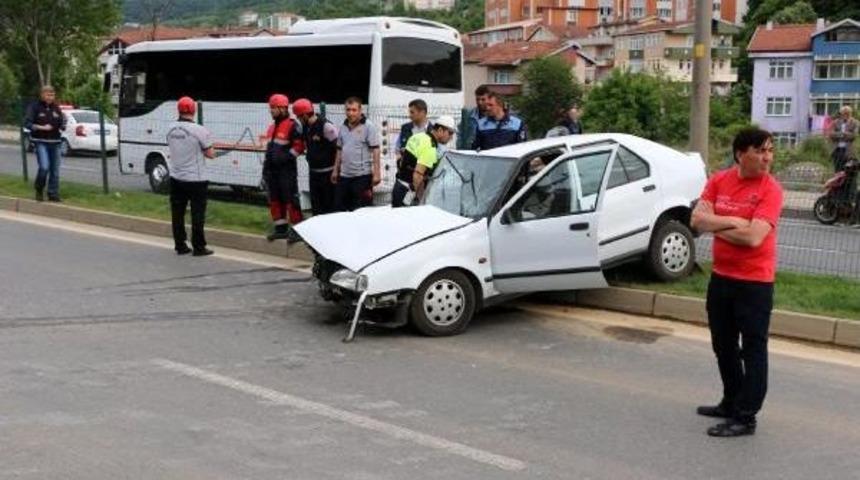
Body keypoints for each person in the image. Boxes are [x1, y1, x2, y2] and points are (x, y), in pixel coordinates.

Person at [690, 127, 783, 438]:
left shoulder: (771, 189)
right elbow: (696, 221)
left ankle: (746, 417)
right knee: (723, 345)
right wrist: (733, 222)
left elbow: (755, 237)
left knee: (753, 349)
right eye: (760, 151)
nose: (767, 157)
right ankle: (731, 401)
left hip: (755, 283)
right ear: (741, 154)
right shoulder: (719, 180)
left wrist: (714, 224)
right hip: (721, 279)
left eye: (770, 150)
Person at [166, 96, 216, 256]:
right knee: (197, 214)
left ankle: (180, 245)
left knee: (177, 213)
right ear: (193, 110)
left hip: (176, 177)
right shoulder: (200, 130)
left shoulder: (170, 129)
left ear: (178, 110)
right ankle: (199, 247)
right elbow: (210, 154)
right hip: (196, 179)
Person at [262, 93, 305, 242]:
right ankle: (281, 229)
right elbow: (269, 150)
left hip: (286, 171)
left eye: (273, 108)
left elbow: (299, 147)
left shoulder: (293, 125)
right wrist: (265, 171)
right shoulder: (272, 127)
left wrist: (284, 158)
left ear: (283, 108)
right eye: (270, 108)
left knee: (290, 199)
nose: (271, 111)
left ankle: (298, 231)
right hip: (272, 171)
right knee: (274, 200)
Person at [391, 115, 457, 207]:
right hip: (407, 192)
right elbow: (418, 176)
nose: (451, 137)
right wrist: (420, 200)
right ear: (440, 130)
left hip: (398, 185)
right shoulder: (430, 147)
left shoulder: (419, 136)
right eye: (450, 133)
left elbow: (403, 160)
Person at [331, 97, 381, 212]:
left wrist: (377, 173)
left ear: (360, 110)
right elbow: (339, 149)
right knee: (339, 209)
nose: (350, 113)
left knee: (360, 211)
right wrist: (335, 170)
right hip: (344, 176)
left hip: (362, 177)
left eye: (354, 110)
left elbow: (376, 150)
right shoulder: (343, 126)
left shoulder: (369, 126)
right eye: (348, 110)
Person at [292, 98, 337, 216]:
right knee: (316, 207)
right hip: (314, 174)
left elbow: (339, 149)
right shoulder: (306, 128)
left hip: (328, 175)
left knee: (328, 207)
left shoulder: (326, 127)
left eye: (299, 117)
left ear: (305, 115)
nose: (298, 120)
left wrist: (336, 171)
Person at [25, 86, 66, 202]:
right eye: (48, 95)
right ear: (42, 95)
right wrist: (41, 127)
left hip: (55, 142)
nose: (50, 97)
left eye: (52, 95)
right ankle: (39, 189)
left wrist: (63, 125)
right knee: (44, 167)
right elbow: (27, 123)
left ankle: (53, 194)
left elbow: (61, 122)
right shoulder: (34, 107)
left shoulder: (56, 108)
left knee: (55, 170)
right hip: (41, 142)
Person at [828, 106, 858, 172]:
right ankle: (838, 182)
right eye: (844, 113)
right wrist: (843, 134)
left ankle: (847, 182)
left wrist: (839, 134)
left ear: (850, 113)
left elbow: (854, 135)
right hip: (837, 149)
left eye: (847, 113)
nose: (845, 115)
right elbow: (831, 134)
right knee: (837, 169)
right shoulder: (835, 122)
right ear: (841, 114)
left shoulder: (855, 122)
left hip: (849, 151)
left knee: (848, 170)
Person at [462, 85, 490, 149]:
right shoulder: (468, 114)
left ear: (489, 99)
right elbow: (461, 134)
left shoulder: (493, 117)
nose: (479, 102)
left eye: (483, 99)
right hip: (470, 152)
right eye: (477, 99)